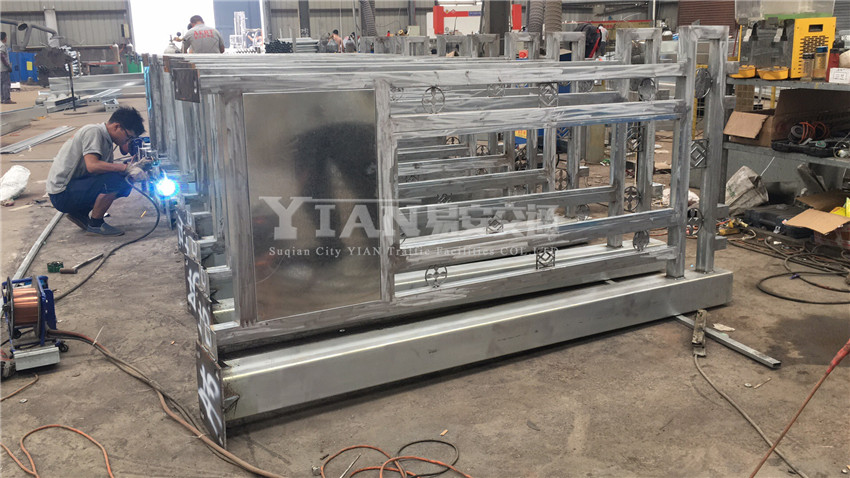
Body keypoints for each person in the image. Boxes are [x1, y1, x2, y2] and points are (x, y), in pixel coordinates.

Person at [46, 107, 147, 236]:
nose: (126, 141)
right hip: (62, 195)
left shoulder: (106, 139)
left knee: (123, 179)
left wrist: (130, 168)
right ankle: (96, 224)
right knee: (116, 181)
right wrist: (125, 168)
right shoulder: (93, 132)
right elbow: (93, 166)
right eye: (128, 137)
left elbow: (103, 170)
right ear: (117, 127)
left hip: (71, 187)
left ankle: (80, 213)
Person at [1, 32, 14, 104]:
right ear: (4, 38)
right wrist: (7, 66)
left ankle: (3, 99)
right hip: (3, 68)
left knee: (1, 84)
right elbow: (2, 56)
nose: (6, 38)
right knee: (6, 83)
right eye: (6, 37)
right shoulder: (2, 45)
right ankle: (7, 99)